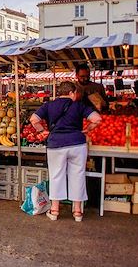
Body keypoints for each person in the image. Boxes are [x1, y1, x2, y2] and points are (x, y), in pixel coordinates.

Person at [30, 81, 102, 222]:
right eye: (75, 93)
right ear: (71, 93)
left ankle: (55, 210)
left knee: (57, 175)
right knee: (78, 175)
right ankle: (77, 212)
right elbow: (97, 119)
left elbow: (34, 119)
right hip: (77, 144)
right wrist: (87, 129)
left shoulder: (49, 105)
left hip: (56, 144)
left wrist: (43, 131)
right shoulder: (79, 105)